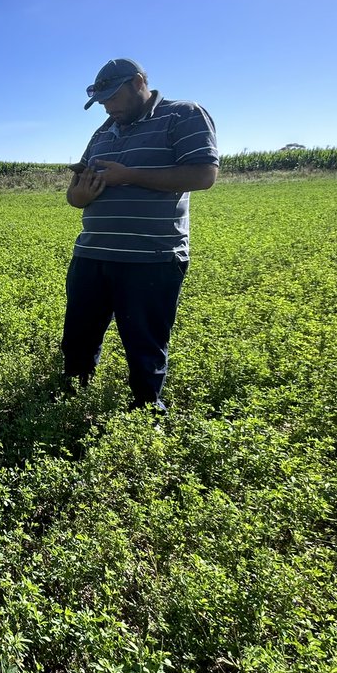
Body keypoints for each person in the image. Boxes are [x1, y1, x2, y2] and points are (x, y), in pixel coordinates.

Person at [60, 58, 218, 411]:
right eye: (102, 102)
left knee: (145, 345)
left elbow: (203, 175)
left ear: (139, 82)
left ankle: (147, 411)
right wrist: (82, 195)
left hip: (152, 258)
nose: (109, 107)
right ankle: (70, 401)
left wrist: (127, 175)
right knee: (78, 340)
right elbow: (74, 196)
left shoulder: (183, 115)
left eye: (113, 98)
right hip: (91, 253)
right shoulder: (102, 132)